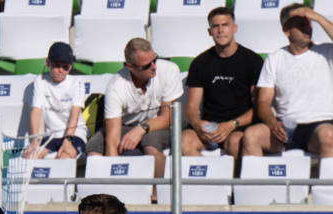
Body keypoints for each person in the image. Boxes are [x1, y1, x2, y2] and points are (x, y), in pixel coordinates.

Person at [241, 4, 333, 158]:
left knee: (329, 136)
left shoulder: (327, 52)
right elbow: (263, 101)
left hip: (321, 124)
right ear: (286, 30)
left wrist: (316, 17)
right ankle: (256, 183)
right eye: (300, 23)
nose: (307, 26)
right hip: (285, 127)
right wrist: (272, 123)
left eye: (308, 22)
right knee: (251, 136)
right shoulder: (275, 58)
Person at [86, 38, 184, 178]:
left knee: (150, 143)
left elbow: (168, 117)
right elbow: (112, 139)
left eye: (154, 60)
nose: (154, 66)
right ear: (129, 67)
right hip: (126, 125)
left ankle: (155, 195)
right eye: (146, 65)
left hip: (161, 123)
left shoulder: (169, 69)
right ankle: (108, 193)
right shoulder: (116, 86)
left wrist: (140, 129)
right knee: (94, 148)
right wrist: (113, 173)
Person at [181, 7, 264, 158]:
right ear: (209, 31)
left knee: (235, 142)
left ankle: (234, 181)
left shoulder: (253, 61)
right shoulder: (200, 63)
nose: (220, 30)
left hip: (239, 125)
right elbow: (192, 107)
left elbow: (259, 107)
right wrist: (198, 125)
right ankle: (203, 181)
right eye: (215, 26)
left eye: (225, 25)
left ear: (234, 28)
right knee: (185, 140)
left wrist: (231, 125)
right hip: (210, 127)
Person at [23, 42, 87, 161]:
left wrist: (68, 140)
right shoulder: (40, 81)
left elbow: (75, 114)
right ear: (48, 63)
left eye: (65, 67)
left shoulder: (77, 83)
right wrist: (34, 141)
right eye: (57, 65)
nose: (61, 70)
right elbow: (36, 111)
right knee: (30, 157)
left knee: (64, 157)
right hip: (51, 136)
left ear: (71, 67)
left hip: (75, 134)